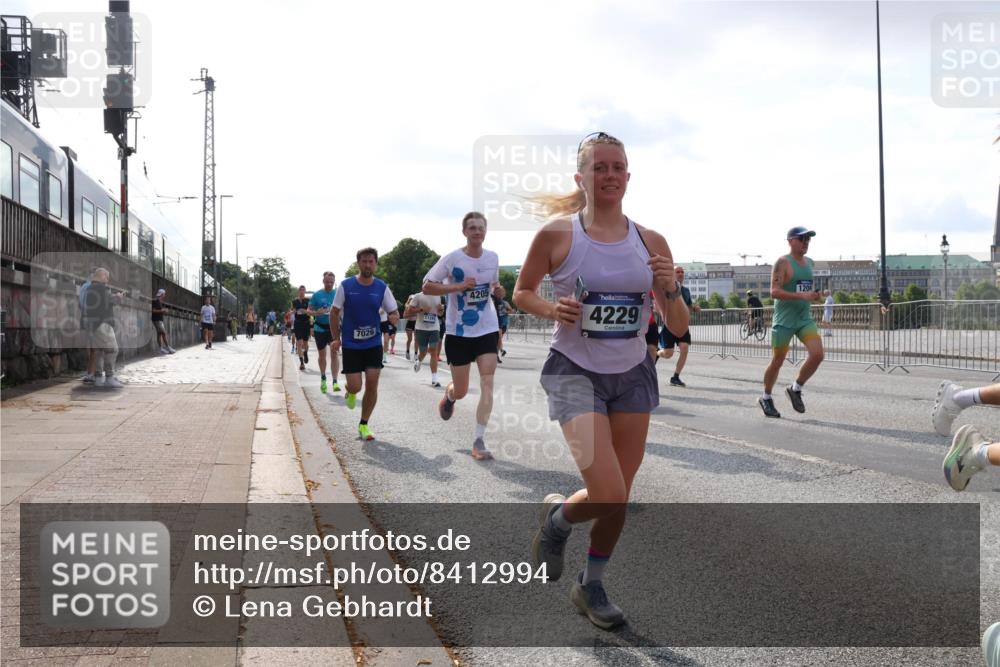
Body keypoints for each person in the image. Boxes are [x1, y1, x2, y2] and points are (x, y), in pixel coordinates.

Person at [513, 132, 688, 629]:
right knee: (607, 491)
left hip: (632, 373)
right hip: (573, 371)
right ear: (581, 178)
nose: (609, 176)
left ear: (628, 177)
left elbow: (676, 325)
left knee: (620, 496)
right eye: (599, 168)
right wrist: (552, 307)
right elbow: (522, 293)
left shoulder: (650, 242)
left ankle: (591, 585)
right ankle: (556, 522)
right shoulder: (557, 235)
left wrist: (670, 288)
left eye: (617, 167)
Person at [423, 211, 505, 461]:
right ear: (464, 232)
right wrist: (457, 287)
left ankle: (479, 440)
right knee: (461, 390)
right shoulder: (451, 259)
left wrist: (498, 290)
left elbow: (492, 286)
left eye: (481, 227)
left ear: (485, 231)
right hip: (459, 332)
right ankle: (450, 396)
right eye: (472, 228)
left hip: (487, 328)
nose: (477, 231)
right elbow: (427, 285)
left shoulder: (492, 258)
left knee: (488, 384)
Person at [330, 248, 399, 441]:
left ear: (375, 264)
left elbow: (394, 311)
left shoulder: (381, 287)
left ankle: (364, 424)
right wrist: (336, 338)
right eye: (364, 261)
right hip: (351, 344)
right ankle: (350, 392)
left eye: (371, 262)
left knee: (372, 382)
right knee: (355, 386)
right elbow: (334, 313)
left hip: (373, 343)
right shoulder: (346, 286)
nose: (367, 265)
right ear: (358, 263)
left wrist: (394, 317)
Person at [758, 227, 824, 419]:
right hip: (785, 320)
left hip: (804, 319)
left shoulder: (810, 263)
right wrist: (801, 295)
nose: (806, 242)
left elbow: (805, 290)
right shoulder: (782, 262)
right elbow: (774, 292)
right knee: (778, 361)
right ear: (790, 241)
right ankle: (766, 397)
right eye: (802, 238)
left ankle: (796, 388)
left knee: (818, 354)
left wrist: (815, 296)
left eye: (808, 239)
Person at [657, 265, 700, 386]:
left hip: (683, 326)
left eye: (682, 272)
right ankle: (656, 352)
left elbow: (689, 307)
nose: (681, 273)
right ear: (673, 274)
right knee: (668, 354)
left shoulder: (686, 291)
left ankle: (675, 377)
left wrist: (694, 308)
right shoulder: (665, 288)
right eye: (678, 271)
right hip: (669, 326)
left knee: (684, 348)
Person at [81, 268, 124, 388]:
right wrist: (118, 297)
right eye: (106, 277)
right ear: (101, 276)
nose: (107, 280)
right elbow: (110, 300)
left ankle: (98, 378)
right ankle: (109, 377)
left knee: (99, 351)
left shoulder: (89, 288)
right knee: (112, 349)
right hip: (103, 324)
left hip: (93, 324)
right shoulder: (101, 288)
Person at [308, 272, 341, 393]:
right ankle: (323, 378)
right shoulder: (317, 295)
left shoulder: (337, 293)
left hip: (334, 329)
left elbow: (343, 308)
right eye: (327, 282)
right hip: (320, 328)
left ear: (334, 282)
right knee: (322, 356)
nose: (329, 284)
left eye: (331, 282)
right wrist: (317, 313)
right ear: (323, 281)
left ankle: (335, 381)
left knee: (334, 354)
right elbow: (308, 311)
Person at [405, 289, 444, 387]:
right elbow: (409, 311)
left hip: (434, 327)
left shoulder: (437, 296)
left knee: (433, 352)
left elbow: (440, 314)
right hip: (421, 328)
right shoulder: (418, 296)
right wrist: (422, 310)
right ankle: (419, 360)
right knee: (423, 352)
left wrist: (441, 309)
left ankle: (434, 379)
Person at [292, 286, 312, 371]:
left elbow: (310, 311)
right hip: (298, 323)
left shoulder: (308, 300)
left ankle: (306, 353)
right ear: (298, 291)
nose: (302, 292)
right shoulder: (294, 301)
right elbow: (293, 311)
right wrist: (293, 312)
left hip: (306, 323)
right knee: (299, 343)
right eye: (300, 290)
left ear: (305, 291)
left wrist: (311, 325)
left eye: (303, 290)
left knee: (305, 343)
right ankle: (301, 363)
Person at [151, 288, 175, 354]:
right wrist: (162, 310)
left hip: (160, 320)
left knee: (159, 334)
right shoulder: (155, 301)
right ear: (162, 294)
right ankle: (168, 347)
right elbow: (153, 311)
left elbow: (159, 311)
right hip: (156, 320)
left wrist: (164, 311)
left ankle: (161, 349)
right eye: (164, 294)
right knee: (163, 333)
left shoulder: (160, 302)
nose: (165, 295)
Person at [492, 287, 511, 362]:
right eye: (502, 291)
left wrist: (506, 312)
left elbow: (510, 310)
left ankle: (497, 353)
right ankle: (498, 352)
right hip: (494, 322)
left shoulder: (504, 302)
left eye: (503, 292)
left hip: (502, 323)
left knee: (499, 339)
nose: (503, 293)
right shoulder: (492, 298)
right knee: (498, 339)